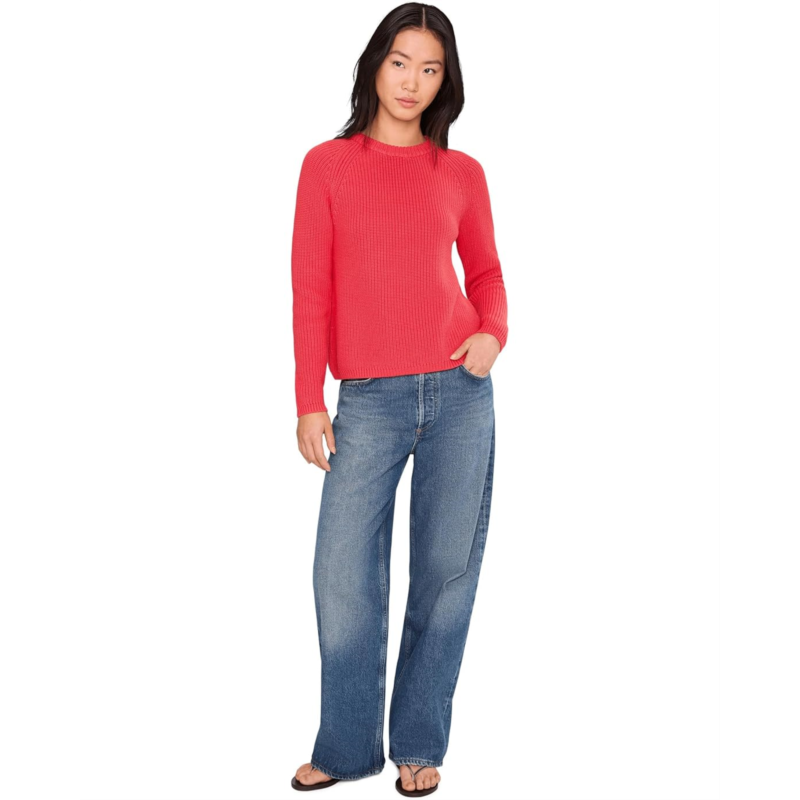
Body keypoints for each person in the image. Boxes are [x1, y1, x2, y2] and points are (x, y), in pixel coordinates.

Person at [290, 4, 508, 796]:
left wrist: (493, 333)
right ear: (374, 65)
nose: (413, 81)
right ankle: (347, 748)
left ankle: (418, 743)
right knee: (342, 573)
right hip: (369, 400)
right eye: (400, 62)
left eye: (430, 68)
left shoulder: (462, 173)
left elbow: (486, 274)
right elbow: (311, 287)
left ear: (446, 81)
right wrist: (308, 397)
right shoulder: (327, 165)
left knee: (446, 571)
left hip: (460, 391)